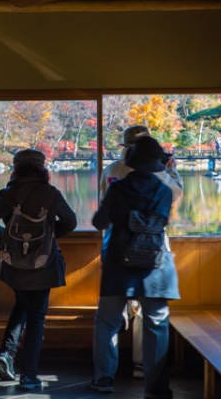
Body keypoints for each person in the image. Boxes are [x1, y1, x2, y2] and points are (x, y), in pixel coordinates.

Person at [0, 149, 77, 391]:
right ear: (41, 168)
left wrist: (6, 241)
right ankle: (29, 376)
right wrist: (50, 236)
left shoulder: (7, 194)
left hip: (15, 267)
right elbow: (71, 222)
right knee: (36, 319)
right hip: (44, 264)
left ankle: (6, 355)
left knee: (22, 305)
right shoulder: (50, 194)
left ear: (17, 168)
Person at [91, 135, 180, 397]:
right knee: (157, 323)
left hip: (119, 262)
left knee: (107, 322)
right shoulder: (164, 191)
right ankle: (156, 387)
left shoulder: (117, 188)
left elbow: (99, 222)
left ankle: (104, 379)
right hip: (156, 263)